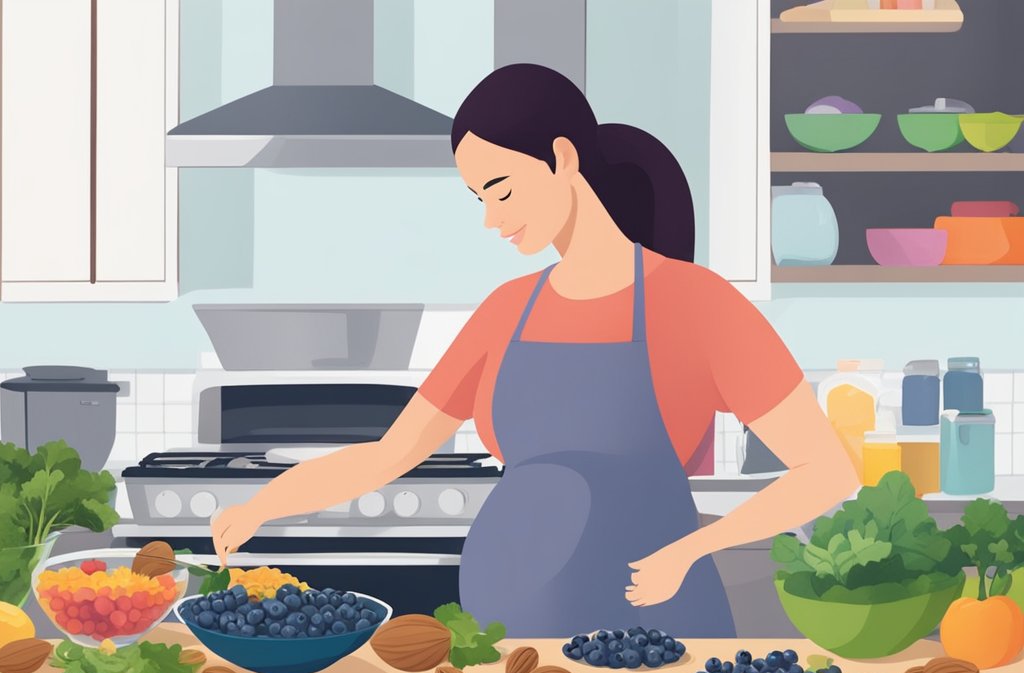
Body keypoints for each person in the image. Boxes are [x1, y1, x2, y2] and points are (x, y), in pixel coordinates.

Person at [211, 64, 857, 637]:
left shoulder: (696, 303)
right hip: (512, 648)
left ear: (563, 159)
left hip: (657, 640)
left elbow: (828, 471)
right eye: (479, 200)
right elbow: (388, 454)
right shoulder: (504, 312)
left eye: (503, 189)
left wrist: (692, 550)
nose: (493, 219)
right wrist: (262, 504)